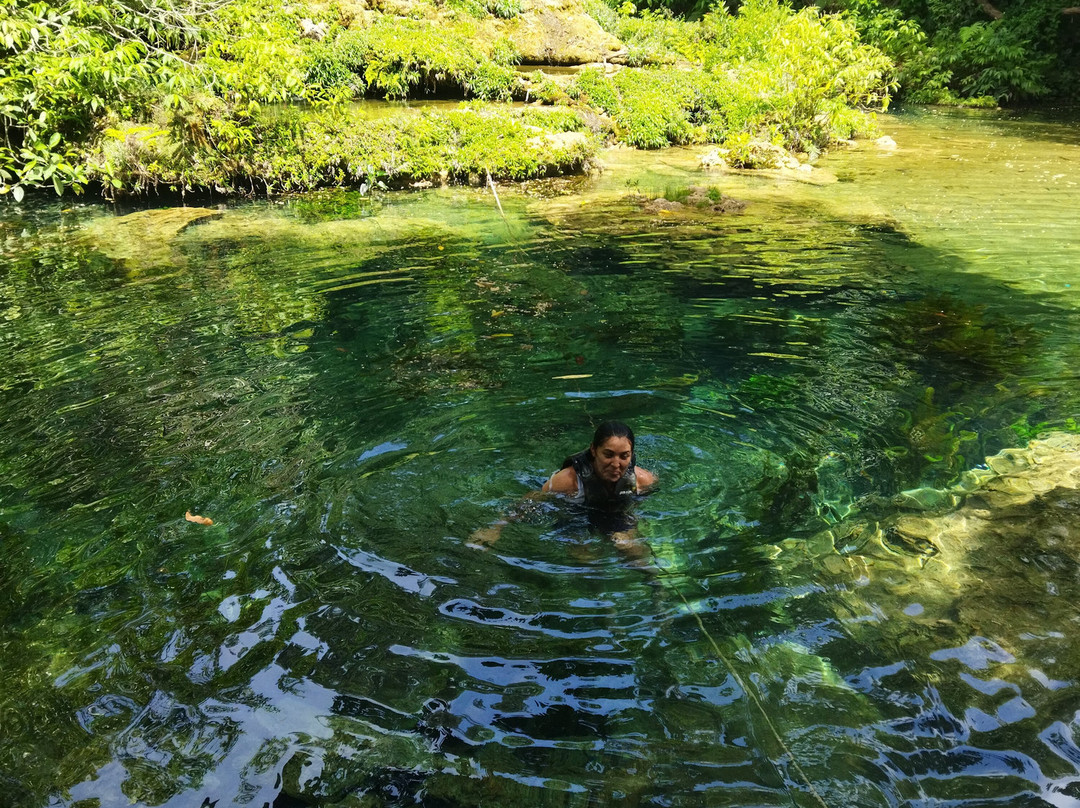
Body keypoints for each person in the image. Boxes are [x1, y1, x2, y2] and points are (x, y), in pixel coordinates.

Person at [470, 421, 657, 554]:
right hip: (573, 513)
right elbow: (532, 500)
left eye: (624, 456)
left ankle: (657, 590)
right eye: (608, 455)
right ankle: (603, 604)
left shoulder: (642, 479)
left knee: (632, 550)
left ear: (631, 455)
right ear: (594, 450)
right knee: (585, 559)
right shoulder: (567, 481)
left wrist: (634, 520)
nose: (616, 464)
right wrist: (496, 528)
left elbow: (642, 503)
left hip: (613, 510)